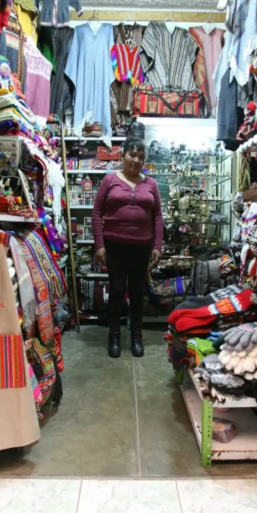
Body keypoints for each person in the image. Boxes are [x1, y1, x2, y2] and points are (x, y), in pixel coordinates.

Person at [92, 139, 163, 358]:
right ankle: (114, 337)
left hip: (142, 247)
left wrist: (157, 246)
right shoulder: (110, 180)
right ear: (123, 156)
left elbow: (157, 216)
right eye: (132, 155)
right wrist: (99, 245)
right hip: (114, 246)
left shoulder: (151, 184)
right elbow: (97, 212)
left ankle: (136, 337)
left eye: (141, 156)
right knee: (116, 291)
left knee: (137, 292)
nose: (136, 160)